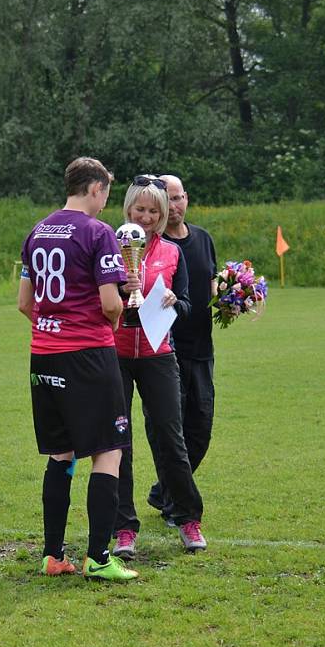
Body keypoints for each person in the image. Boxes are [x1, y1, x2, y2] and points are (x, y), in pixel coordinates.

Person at [18, 157, 138, 582]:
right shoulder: (97, 232)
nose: (106, 202)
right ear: (94, 189)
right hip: (87, 355)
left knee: (61, 454)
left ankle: (53, 555)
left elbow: (24, 303)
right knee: (109, 450)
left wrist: (55, 328)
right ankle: (100, 558)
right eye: (105, 192)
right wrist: (117, 316)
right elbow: (109, 303)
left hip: (43, 355)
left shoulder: (37, 230)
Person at [112, 175, 205, 560]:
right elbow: (95, 301)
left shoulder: (173, 253)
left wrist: (171, 300)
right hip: (114, 355)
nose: (147, 217)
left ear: (164, 212)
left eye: (154, 210)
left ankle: (187, 518)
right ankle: (123, 529)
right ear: (128, 210)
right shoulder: (110, 249)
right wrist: (120, 289)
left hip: (159, 354)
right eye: (140, 209)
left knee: (171, 438)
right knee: (119, 443)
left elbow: (186, 305)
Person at [145, 174, 217, 548]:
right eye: (168, 199)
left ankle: (163, 491)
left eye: (179, 197)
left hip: (203, 349)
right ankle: (176, 504)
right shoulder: (154, 246)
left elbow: (209, 287)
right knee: (169, 432)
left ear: (187, 199)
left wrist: (233, 299)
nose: (175, 205)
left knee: (200, 428)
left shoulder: (203, 239)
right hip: (166, 351)